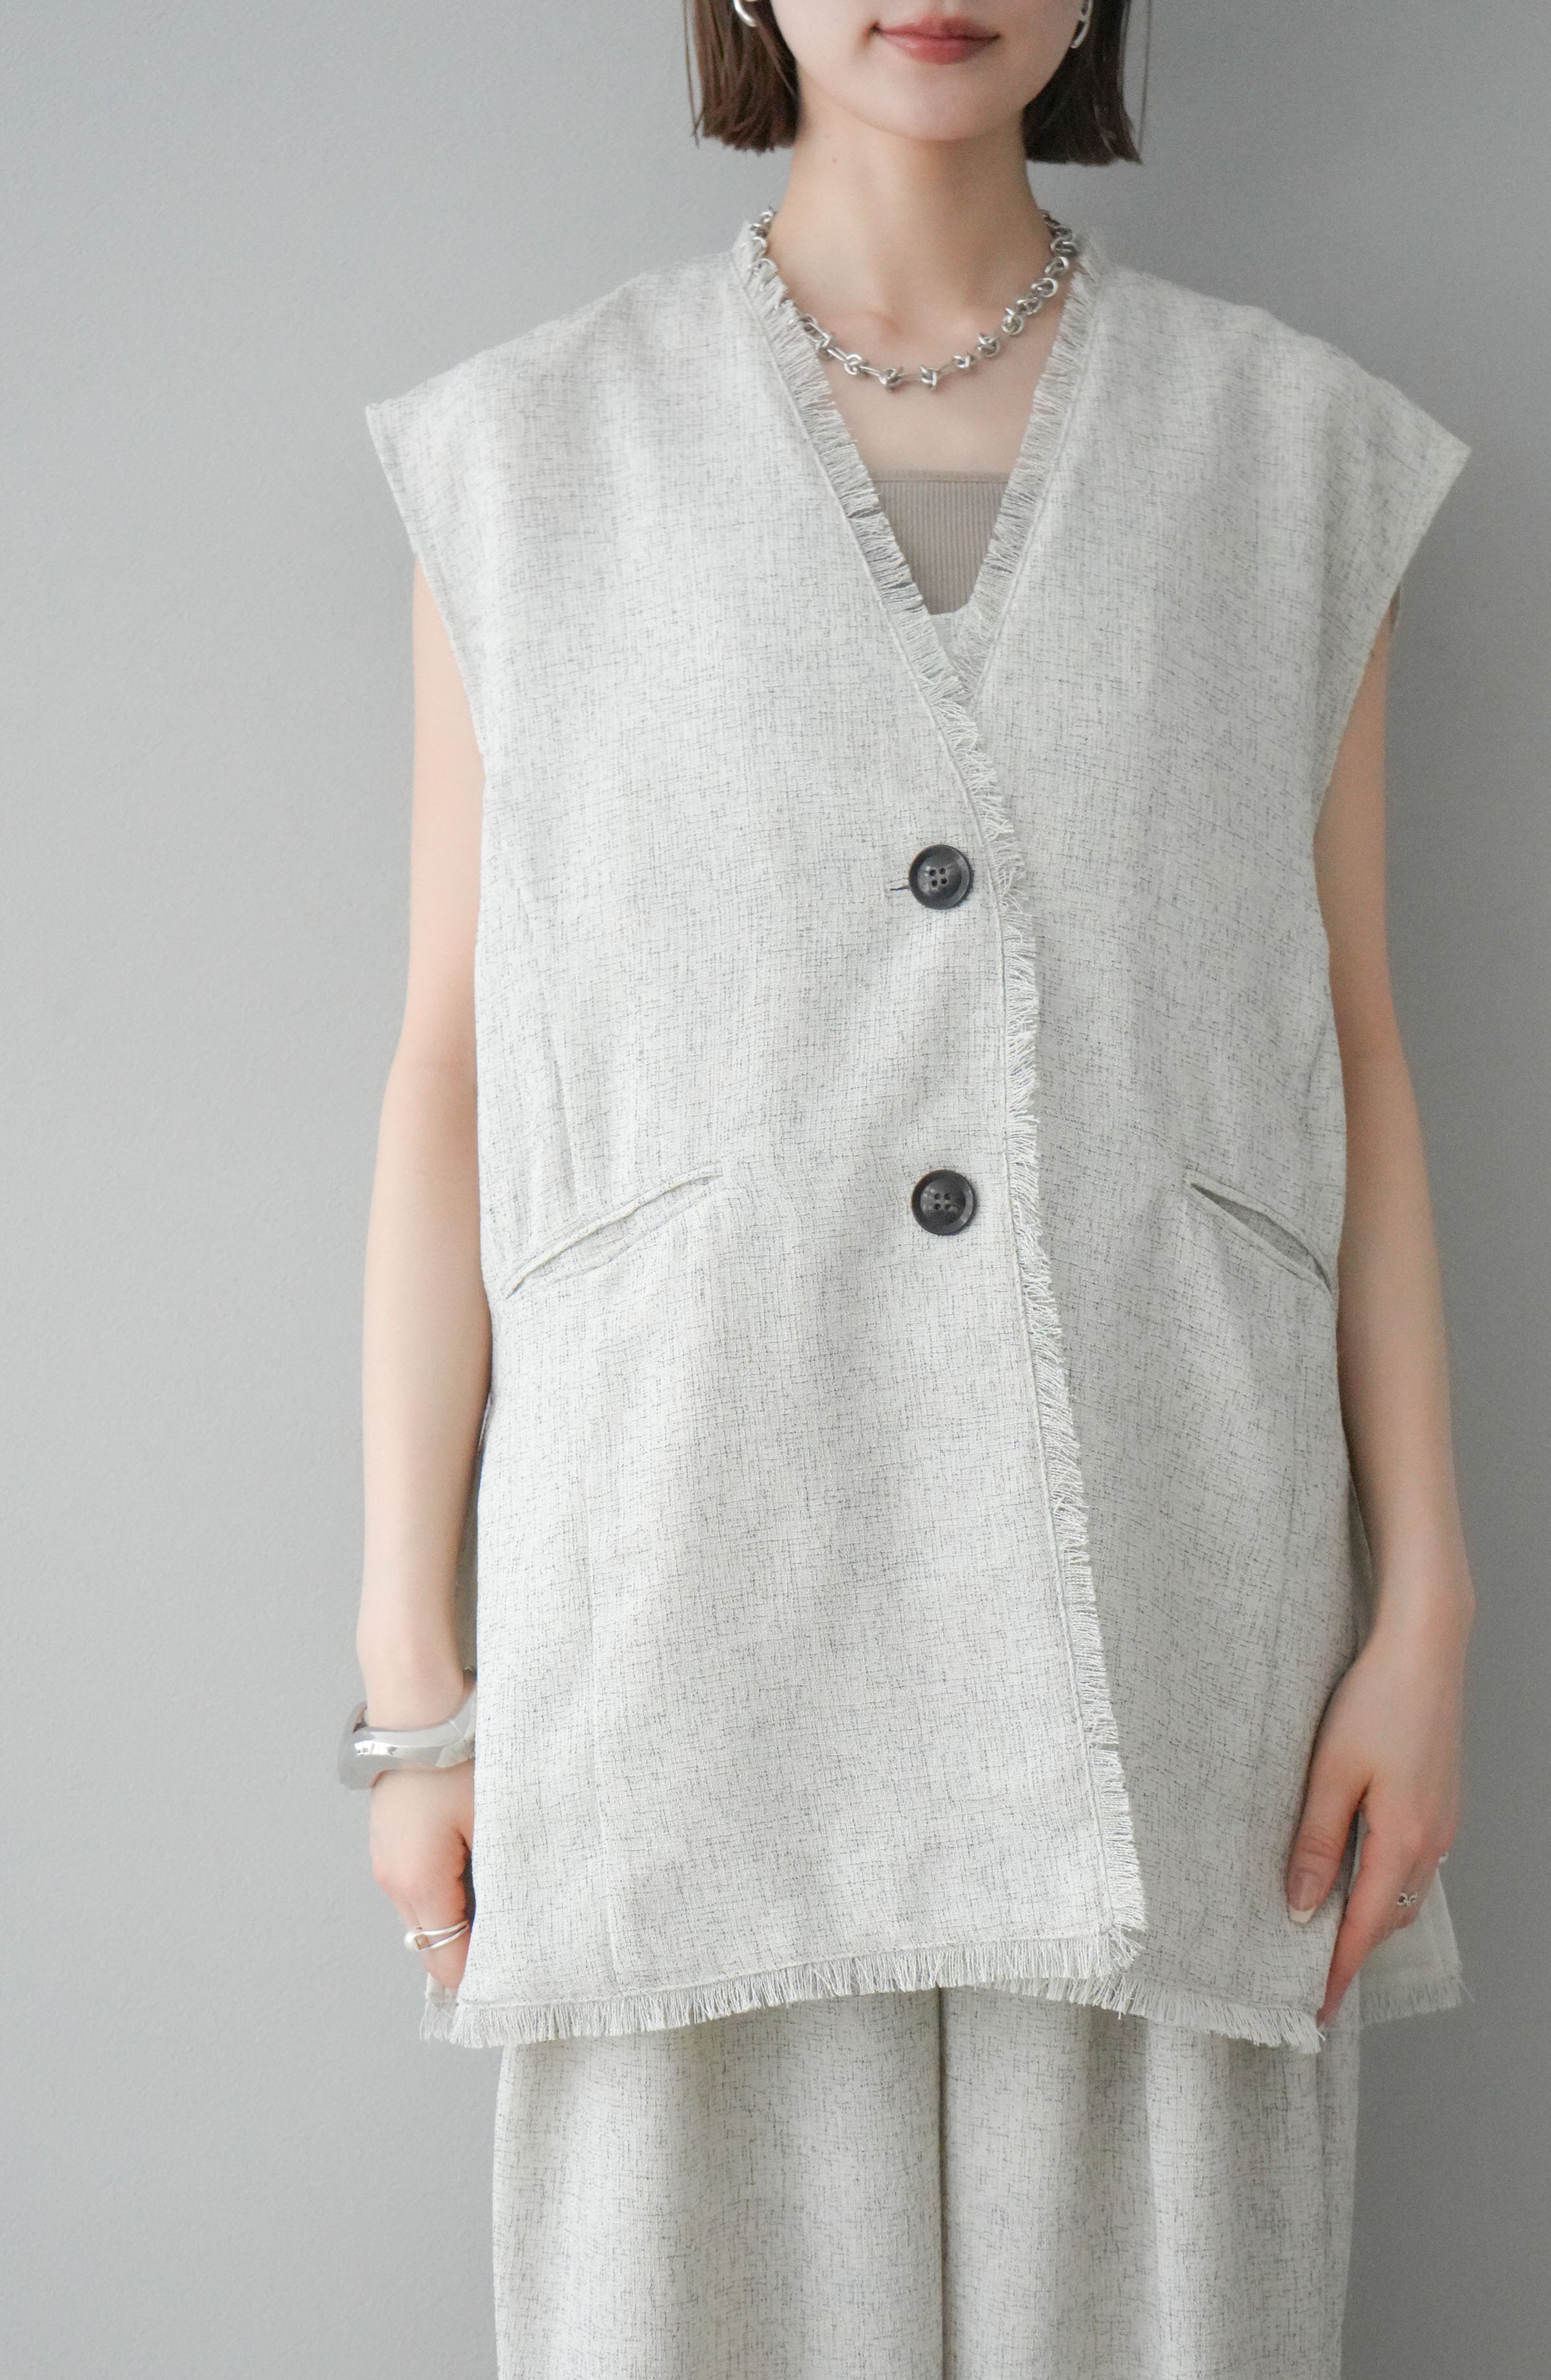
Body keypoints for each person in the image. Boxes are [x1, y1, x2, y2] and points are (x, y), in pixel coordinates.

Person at [347, 4, 1476, 2372]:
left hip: (1176, 1625)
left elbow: (1352, 1049)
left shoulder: (1292, 453)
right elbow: (452, 1063)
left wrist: (1424, 1613)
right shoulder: (527, 455)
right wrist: (412, 1680)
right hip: (680, 1617)